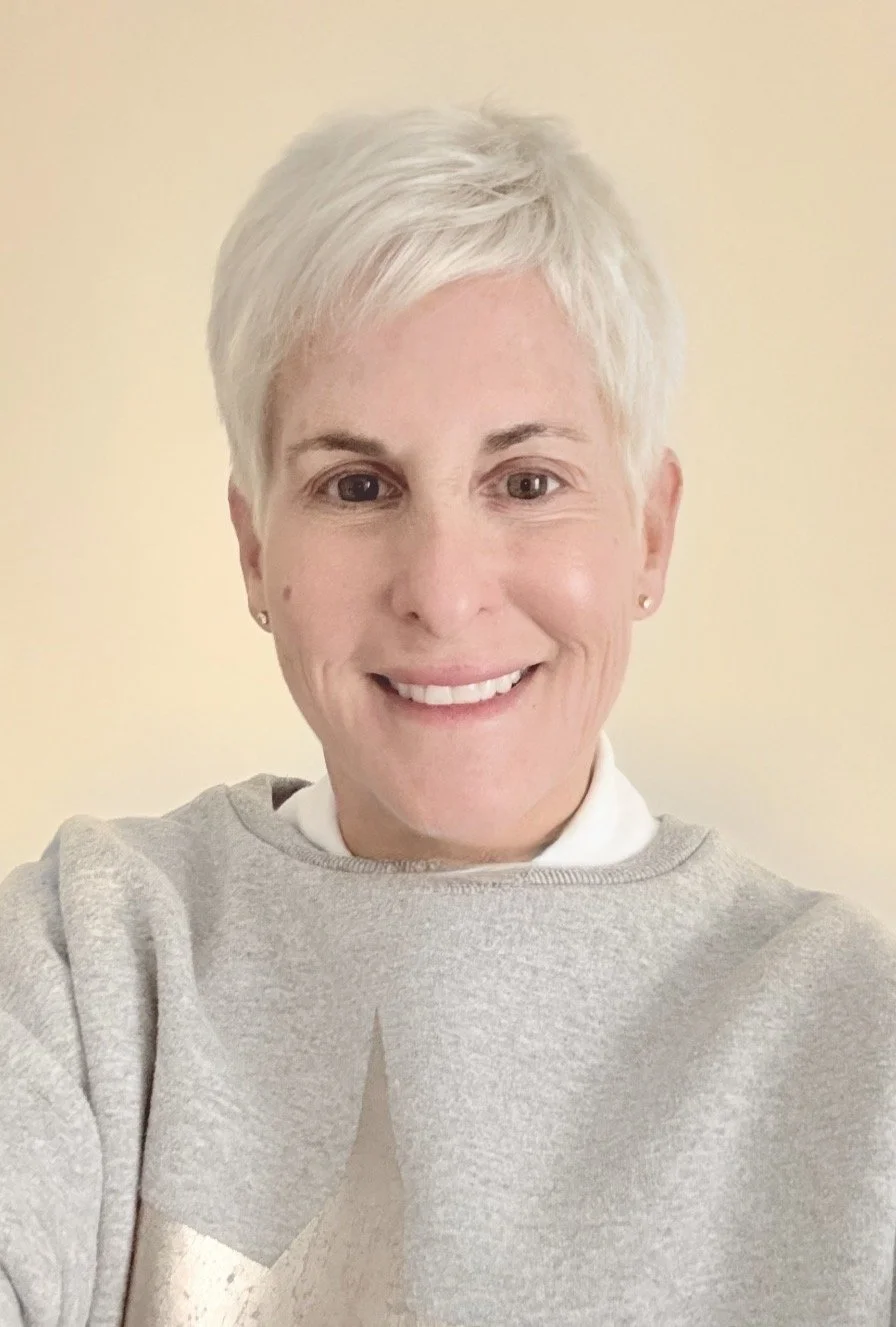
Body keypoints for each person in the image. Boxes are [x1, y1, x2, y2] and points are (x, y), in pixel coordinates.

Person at [1, 102, 895, 1327]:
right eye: (357, 485)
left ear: (648, 528)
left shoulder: (854, 1032)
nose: (441, 590)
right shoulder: (87, 962)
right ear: (255, 547)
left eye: (526, 481)